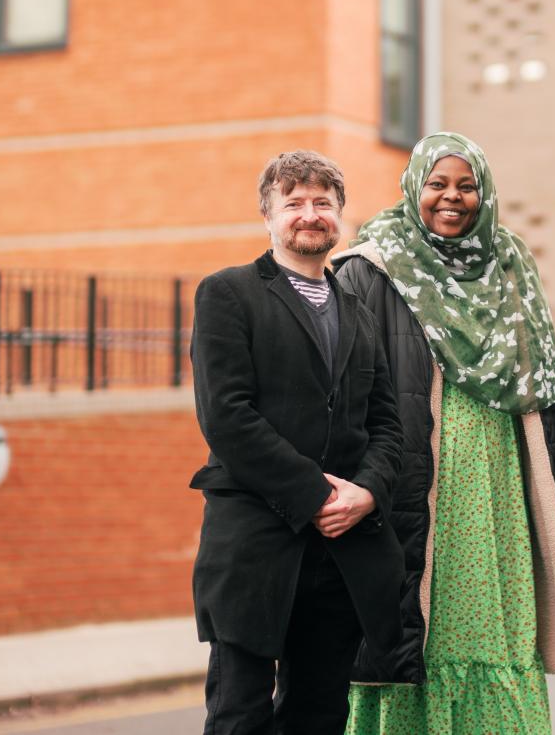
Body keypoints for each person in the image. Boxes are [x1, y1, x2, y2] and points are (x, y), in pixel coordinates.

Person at [334, 132, 555, 735]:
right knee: (415, 625)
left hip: (502, 482)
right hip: (416, 479)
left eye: (466, 186)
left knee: (498, 628)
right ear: (414, 188)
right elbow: (346, 392)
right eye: (437, 184)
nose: (451, 198)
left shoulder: (509, 264)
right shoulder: (370, 266)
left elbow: (548, 388)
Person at [188, 150, 405, 735]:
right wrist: (315, 496)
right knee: (240, 716)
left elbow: (387, 424)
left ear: (340, 216)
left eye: (323, 204)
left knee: (319, 715)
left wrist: (366, 494)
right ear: (268, 216)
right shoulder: (227, 294)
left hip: (340, 556)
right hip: (257, 545)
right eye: (294, 204)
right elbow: (227, 418)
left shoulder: (359, 313)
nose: (310, 215)